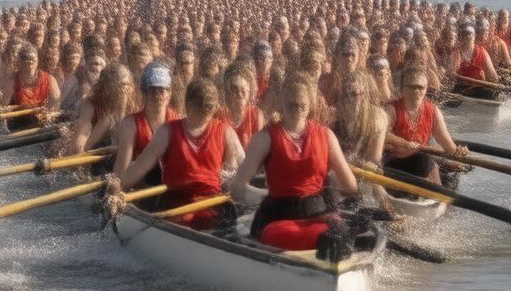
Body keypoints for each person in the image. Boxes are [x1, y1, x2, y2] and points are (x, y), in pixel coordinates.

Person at [231, 74, 357, 251]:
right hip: (287, 221)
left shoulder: (265, 138)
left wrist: (264, 195)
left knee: (333, 236)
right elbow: (351, 186)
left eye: (300, 106)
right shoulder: (324, 136)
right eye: (295, 106)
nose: (297, 110)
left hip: (301, 218)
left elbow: (237, 189)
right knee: (338, 236)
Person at [116, 78, 244, 228]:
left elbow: (136, 171)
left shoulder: (225, 132)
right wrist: (117, 190)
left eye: (206, 110)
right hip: (178, 207)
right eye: (203, 109)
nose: (204, 113)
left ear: (187, 104)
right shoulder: (169, 132)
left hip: (207, 206)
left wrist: (119, 188)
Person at [384, 67, 466, 184]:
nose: (416, 91)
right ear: (402, 88)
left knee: (425, 159)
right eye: (411, 86)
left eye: (420, 87)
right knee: (423, 158)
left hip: (421, 163)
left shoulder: (433, 111)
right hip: (394, 163)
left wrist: (458, 152)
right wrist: (405, 144)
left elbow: (446, 144)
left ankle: (437, 194)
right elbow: (382, 135)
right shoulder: (391, 110)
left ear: (426, 89)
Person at [113, 62, 181, 182]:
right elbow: (120, 176)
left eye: (162, 90)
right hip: (140, 184)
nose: (157, 95)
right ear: (144, 93)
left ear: (169, 93)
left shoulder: (178, 122)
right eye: (153, 90)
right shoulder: (130, 125)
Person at [0, 45, 61, 128]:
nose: (29, 61)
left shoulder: (49, 79)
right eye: (25, 58)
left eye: (32, 59)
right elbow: (4, 107)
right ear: (19, 62)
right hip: (19, 123)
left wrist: (49, 114)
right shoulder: (12, 80)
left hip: (42, 122)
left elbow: (55, 102)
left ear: (37, 61)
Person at [219, 63, 264, 149]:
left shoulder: (256, 116)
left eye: (243, 90)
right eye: (234, 90)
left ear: (249, 92)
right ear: (227, 92)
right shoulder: (219, 115)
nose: (239, 94)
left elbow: (259, 152)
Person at [449, 22, 499, 92]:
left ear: (474, 35)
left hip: (480, 89)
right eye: (462, 33)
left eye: (468, 33)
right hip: (460, 89)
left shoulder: (482, 52)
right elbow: (451, 74)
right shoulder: (455, 53)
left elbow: (493, 77)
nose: (464, 36)